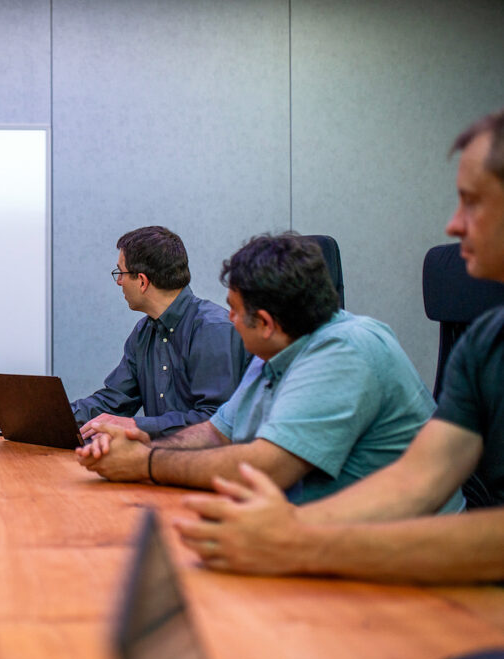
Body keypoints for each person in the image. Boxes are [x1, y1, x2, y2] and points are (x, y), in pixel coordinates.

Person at [172, 109, 504, 584]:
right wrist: (280, 531)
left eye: (473, 203)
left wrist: (298, 541)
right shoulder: (485, 341)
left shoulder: (351, 347)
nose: (453, 225)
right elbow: (419, 478)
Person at [76, 232, 458, 508]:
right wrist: (140, 444)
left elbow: (269, 466)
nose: (228, 319)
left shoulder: (346, 350)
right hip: (321, 533)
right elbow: (215, 432)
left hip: (408, 553)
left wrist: (146, 462)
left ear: (265, 322)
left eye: (235, 309)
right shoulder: (273, 353)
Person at [71, 226, 250, 439]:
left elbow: (214, 422)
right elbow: (114, 401)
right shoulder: (143, 332)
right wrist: (52, 417)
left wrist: (136, 425)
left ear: (143, 281)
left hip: (207, 467)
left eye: (121, 273)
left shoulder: (213, 329)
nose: (119, 282)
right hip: (160, 463)